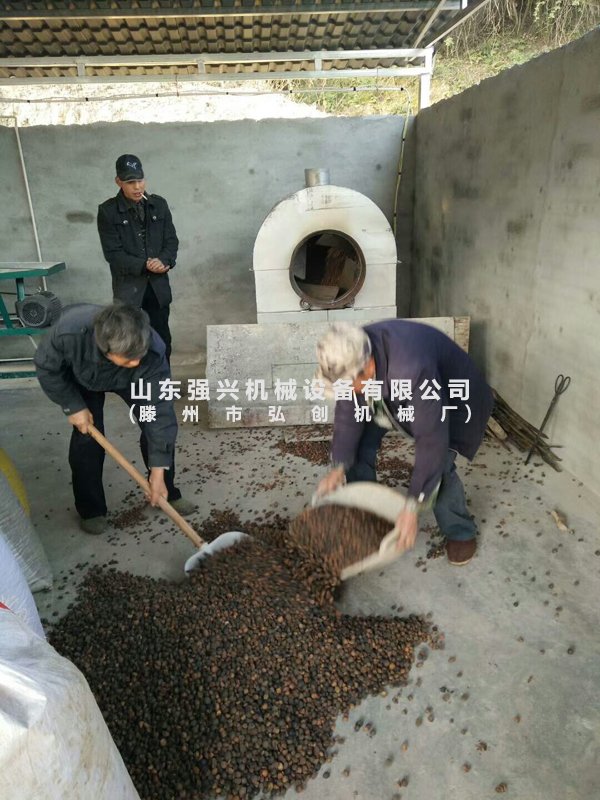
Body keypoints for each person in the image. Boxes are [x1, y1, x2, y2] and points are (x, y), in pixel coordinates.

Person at [314, 320, 494, 566]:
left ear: (368, 367)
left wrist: (411, 508)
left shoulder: (412, 367)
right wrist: (339, 465)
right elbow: (348, 411)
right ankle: (368, 517)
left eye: (349, 385)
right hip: (391, 392)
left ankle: (460, 531)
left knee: (439, 466)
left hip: (453, 400)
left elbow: (431, 441)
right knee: (357, 448)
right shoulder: (354, 352)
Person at [34, 303, 195, 535]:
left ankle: (165, 491)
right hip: (82, 376)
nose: (135, 362)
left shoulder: (151, 350)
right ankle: (92, 510)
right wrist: (72, 405)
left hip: (135, 380)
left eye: (138, 356)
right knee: (87, 439)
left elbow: (160, 413)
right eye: (129, 359)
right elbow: (47, 368)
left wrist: (158, 470)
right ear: (106, 350)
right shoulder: (68, 333)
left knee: (155, 426)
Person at [97, 154, 178, 361]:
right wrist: (145, 265)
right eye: (130, 182)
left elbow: (171, 241)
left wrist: (165, 260)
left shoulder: (159, 205)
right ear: (118, 181)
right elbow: (113, 254)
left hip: (157, 288)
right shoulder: (108, 211)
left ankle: (162, 381)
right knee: (129, 343)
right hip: (128, 291)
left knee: (162, 341)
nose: (137, 187)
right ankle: (135, 381)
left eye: (140, 180)